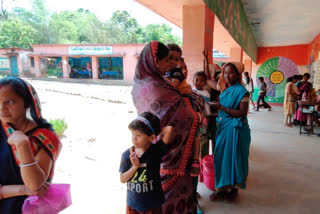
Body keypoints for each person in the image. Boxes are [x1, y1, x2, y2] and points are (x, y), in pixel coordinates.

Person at [132, 41, 199, 213]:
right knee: (168, 197)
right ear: (155, 61)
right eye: (165, 60)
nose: (167, 65)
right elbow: (179, 114)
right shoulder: (157, 88)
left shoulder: (143, 84)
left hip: (154, 146)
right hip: (168, 151)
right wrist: (192, 112)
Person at [0, 77, 62, 213]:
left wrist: (22, 145)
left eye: (9, 102)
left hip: (31, 209)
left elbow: (35, 184)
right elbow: (30, 188)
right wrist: (22, 189)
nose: (2, 108)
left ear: (27, 103)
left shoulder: (44, 137)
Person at [209, 62, 251, 202]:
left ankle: (233, 189)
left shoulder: (241, 91)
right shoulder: (227, 89)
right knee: (221, 158)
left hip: (235, 130)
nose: (227, 75)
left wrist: (221, 107)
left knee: (234, 159)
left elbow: (242, 113)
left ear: (238, 74)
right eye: (225, 72)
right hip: (224, 127)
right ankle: (222, 188)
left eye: (231, 72)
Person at [119, 112, 174, 214]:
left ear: (152, 138)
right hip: (133, 204)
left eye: (138, 135)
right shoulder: (127, 155)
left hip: (153, 204)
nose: (134, 139)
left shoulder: (156, 151)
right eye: (132, 134)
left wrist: (154, 132)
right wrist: (134, 167)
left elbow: (169, 130)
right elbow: (122, 179)